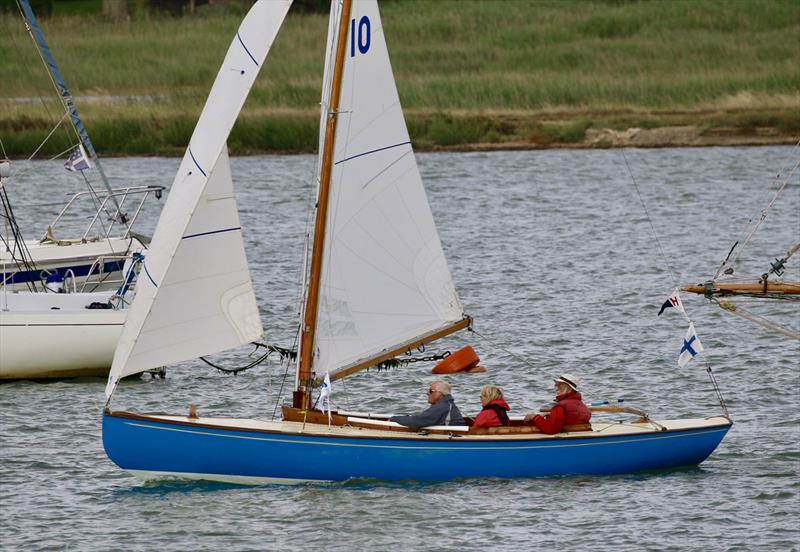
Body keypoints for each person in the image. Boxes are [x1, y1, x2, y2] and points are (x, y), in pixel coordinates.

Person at [523, 373, 591, 434]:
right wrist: (551, 415)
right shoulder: (582, 405)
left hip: (565, 440)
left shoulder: (561, 406)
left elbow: (551, 429)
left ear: (567, 388)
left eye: (559, 386)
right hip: (577, 438)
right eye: (556, 385)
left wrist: (534, 417)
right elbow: (570, 418)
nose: (556, 388)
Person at [390, 380, 465, 429]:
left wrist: (394, 419)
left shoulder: (442, 406)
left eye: (431, 391)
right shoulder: (447, 404)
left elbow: (418, 421)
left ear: (439, 394)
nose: (427, 393)